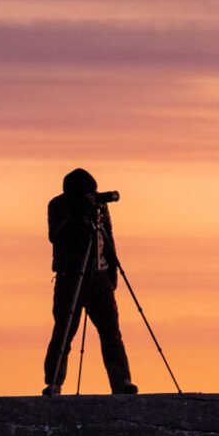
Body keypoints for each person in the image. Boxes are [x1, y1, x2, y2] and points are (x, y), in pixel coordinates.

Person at [43, 167, 137, 395]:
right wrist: (76, 215)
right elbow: (54, 236)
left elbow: (108, 235)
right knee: (64, 331)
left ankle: (121, 381)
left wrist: (112, 272)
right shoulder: (59, 205)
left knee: (111, 332)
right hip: (70, 276)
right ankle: (54, 382)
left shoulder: (99, 206)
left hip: (99, 274)